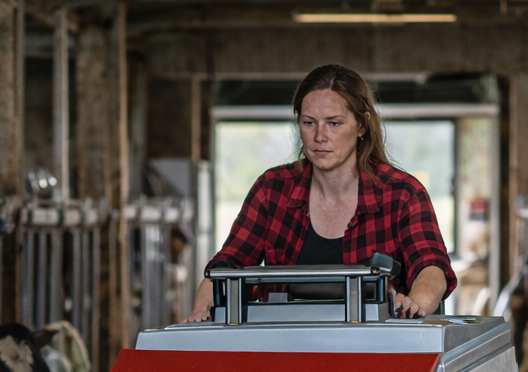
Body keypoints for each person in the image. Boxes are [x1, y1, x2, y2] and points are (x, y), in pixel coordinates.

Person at [183, 64, 455, 322]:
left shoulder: (403, 193)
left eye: (334, 123)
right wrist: (201, 314)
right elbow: (226, 267)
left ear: (361, 125)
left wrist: (413, 305)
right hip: (282, 350)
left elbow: (431, 267)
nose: (319, 137)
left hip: (377, 351)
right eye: (309, 123)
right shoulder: (271, 189)